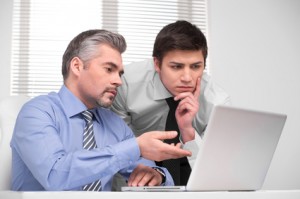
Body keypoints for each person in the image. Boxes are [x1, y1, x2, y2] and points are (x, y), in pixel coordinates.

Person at [10, 29, 192, 191]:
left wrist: (156, 176)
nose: (119, 81)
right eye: (109, 69)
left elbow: (151, 171)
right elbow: (55, 175)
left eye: (119, 73)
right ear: (77, 66)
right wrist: (135, 147)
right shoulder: (37, 112)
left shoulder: (114, 123)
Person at [111, 20, 231, 186]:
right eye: (176, 67)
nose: (187, 77)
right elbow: (115, 146)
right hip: (137, 175)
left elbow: (214, 169)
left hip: (192, 179)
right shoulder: (124, 85)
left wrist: (188, 131)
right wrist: (146, 168)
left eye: (196, 66)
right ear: (157, 64)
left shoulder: (217, 102)